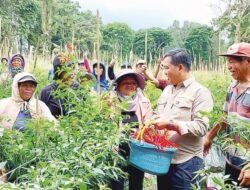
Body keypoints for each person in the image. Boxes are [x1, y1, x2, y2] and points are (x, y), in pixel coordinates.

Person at [152, 48, 214, 190]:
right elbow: (160, 114)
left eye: (166, 68)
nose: (164, 72)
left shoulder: (200, 92)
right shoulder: (168, 90)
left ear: (180, 67)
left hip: (186, 163)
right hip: (164, 160)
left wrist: (170, 124)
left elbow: (201, 127)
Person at [204, 42, 250, 188]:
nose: (229, 66)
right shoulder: (233, 86)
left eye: (233, 61)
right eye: (227, 61)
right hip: (231, 160)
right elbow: (225, 116)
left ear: (248, 61)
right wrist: (209, 137)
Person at [110, 69, 153, 190]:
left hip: (138, 149)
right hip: (117, 150)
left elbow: (149, 125)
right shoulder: (111, 102)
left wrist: (144, 131)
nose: (130, 85)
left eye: (133, 82)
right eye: (125, 82)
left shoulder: (144, 101)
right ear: (118, 85)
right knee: (116, 183)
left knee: (136, 183)